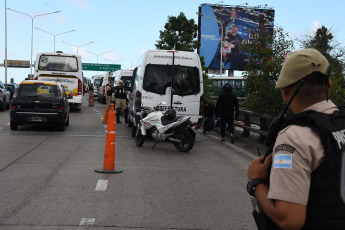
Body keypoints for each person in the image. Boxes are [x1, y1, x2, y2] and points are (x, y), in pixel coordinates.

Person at [247, 48, 345, 229]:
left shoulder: (294, 138)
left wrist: (255, 182)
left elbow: (290, 219)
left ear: (285, 91)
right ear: (329, 85)